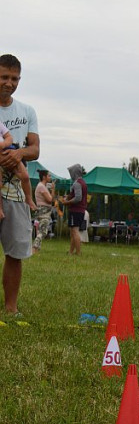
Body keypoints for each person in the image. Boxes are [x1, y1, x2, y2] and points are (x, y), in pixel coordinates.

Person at [0, 54, 40, 315]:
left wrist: (17, 154)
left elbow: (35, 149)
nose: (9, 83)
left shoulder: (27, 111)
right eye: (4, 77)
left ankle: (11, 308)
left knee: (15, 253)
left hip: (14, 193)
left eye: (14, 79)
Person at [0, 120, 36, 219]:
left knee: (25, 176)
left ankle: (28, 198)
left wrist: (4, 144)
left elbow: (9, 137)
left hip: (9, 153)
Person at [60, 164, 88, 255]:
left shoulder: (77, 183)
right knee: (73, 232)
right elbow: (76, 195)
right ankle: (71, 252)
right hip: (80, 210)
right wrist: (67, 196)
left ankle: (78, 252)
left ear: (74, 172)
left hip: (76, 210)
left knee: (75, 232)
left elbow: (78, 198)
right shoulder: (83, 182)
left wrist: (66, 202)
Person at [32, 169, 55, 253]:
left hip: (42, 210)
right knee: (43, 231)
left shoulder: (42, 186)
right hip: (44, 211)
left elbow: (50, 199)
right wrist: (53, 190)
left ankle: (37, 249)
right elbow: (50, 200)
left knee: (41, 230)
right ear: (44, 177)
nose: (50, 177)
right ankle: (34, 248)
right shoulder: (41, 186)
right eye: (49, 175)